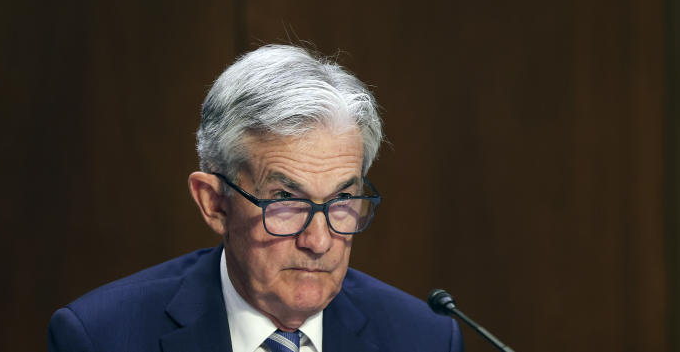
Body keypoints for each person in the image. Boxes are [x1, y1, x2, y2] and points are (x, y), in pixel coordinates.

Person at [48, 44, 463, 352]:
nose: (319, 242)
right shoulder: (100, 338)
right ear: (213, 202)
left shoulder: (424, 338)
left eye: (341, 199)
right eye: (285, 198)